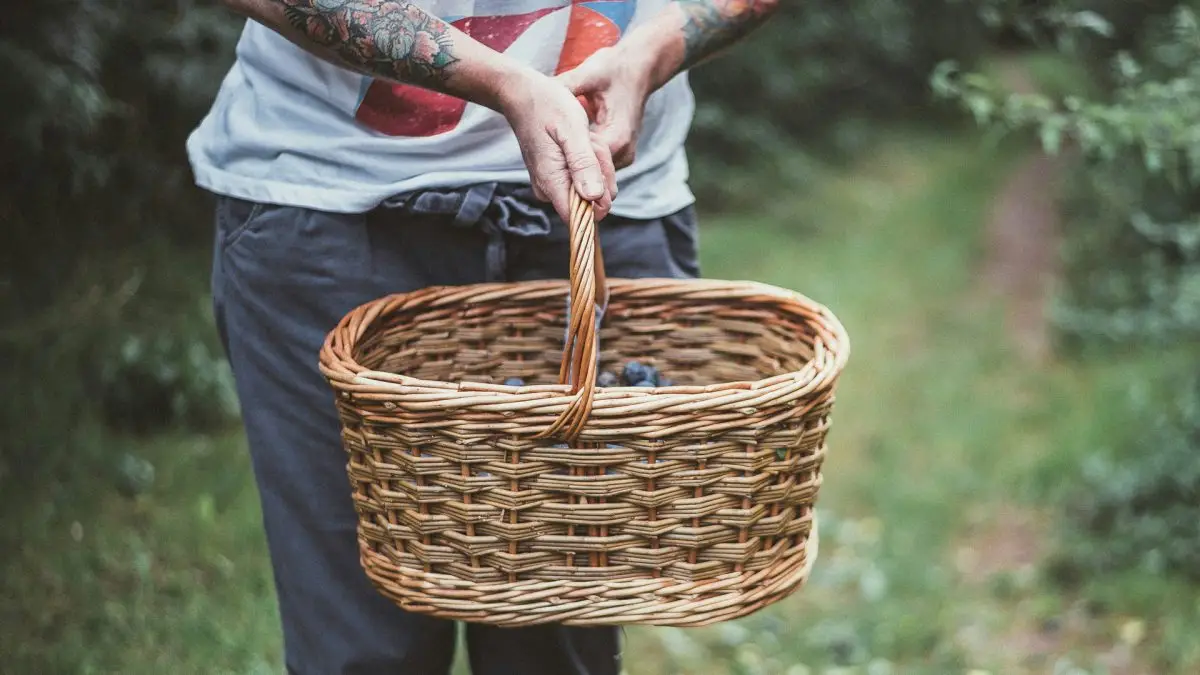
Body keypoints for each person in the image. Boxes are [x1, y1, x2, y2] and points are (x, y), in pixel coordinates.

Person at [189, 0, 780, 672]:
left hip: (602, 197)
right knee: (364, 650)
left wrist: (653, 49)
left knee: (562, 644)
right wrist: (501, 82)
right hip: (337, 199)